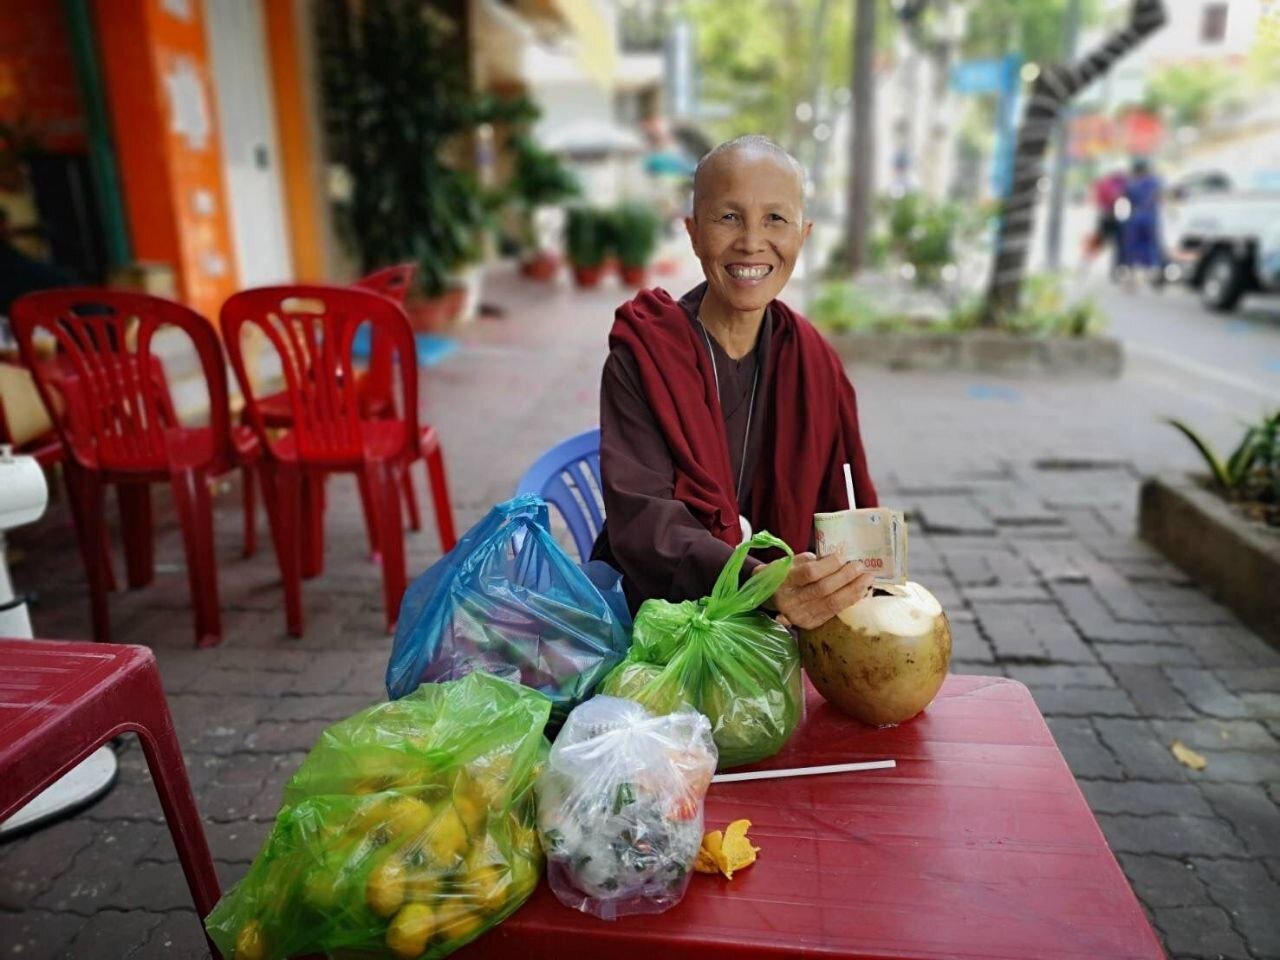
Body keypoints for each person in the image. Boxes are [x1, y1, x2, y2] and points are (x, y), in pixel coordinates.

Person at [591, 135, 879, 630]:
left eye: (775, 219)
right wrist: (763, 585)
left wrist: (837, 584)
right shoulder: (645, 355)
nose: (751, 241)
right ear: (693, 232)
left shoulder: (814, 361)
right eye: (728, 217)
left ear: (803, 235)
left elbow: (847, 507)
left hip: (787, 628)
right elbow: (642, 524)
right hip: (661, 619)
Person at [1120, 158, 1163, 285]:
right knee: (1151, 244)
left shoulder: (1131, 183)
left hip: (1136, 216)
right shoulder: (1154, 181)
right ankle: (1151, 273)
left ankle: (1132, 275)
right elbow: (1159, 196)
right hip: (1150, 216)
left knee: (1133, 246)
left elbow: (1124, 198)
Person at [1090, 168, 1126, 279]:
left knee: (1115, 245)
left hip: (1110, 216)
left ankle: (1115, 270)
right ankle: (1115, 270)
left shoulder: (1107, 183)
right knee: (1112, 244)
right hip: (1110, 217)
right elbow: (1112, 197)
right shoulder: (1113, 184)